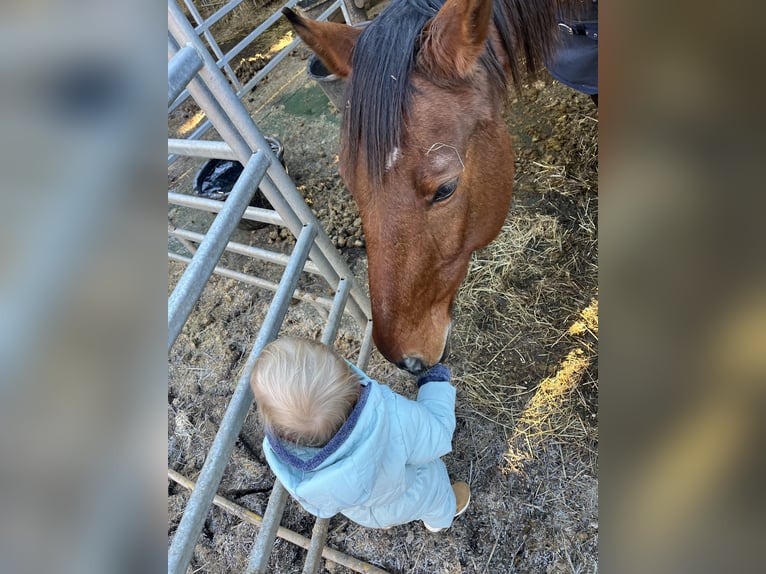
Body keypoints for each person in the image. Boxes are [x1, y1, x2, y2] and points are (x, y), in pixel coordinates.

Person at [249, 336, 470, 532]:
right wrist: (434, 382)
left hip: (364, 512)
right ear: (354, 382)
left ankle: (388, 522)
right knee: (436, 496)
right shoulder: (393, 417)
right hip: (413, 492)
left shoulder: (286, 463)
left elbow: (319, 506)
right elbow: (438, 434)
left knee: (381, 510)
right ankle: (441, 519)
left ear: (284, 435)